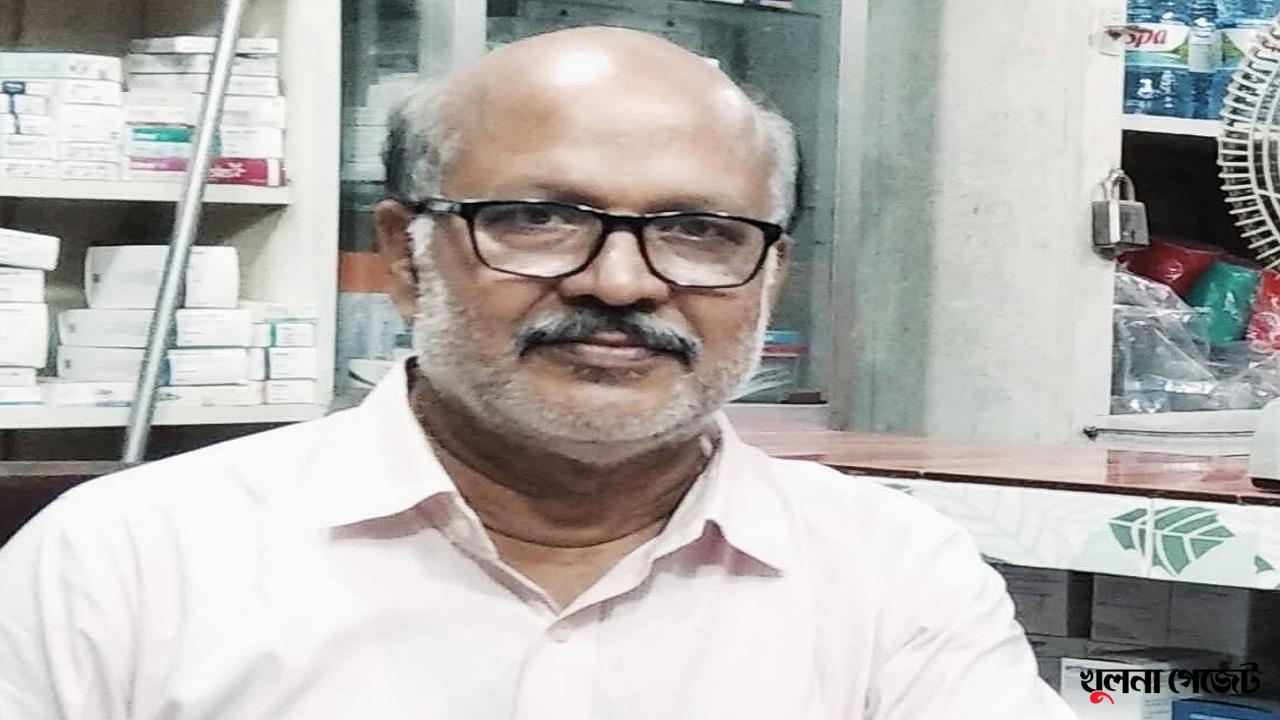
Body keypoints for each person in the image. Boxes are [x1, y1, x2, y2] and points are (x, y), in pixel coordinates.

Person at [0, 27, 1077, 720]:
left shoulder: (891, 579)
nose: (620, 282)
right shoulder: (126, 567)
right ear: (404, 256)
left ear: (769, 276)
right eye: (537, 218)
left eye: (699, 231)